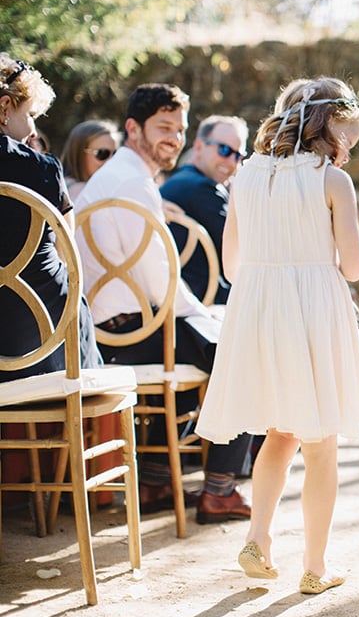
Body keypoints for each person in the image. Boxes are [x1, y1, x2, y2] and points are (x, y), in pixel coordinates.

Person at [195, 77, 359, 595]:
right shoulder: (331, 181)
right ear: (329, 128)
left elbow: (232, 264)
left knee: (278, 434)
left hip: (258, 311)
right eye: (348, 137)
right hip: (312, 313)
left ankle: (258, 537)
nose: (348, 148)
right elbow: (355, 268)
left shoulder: (245, 176)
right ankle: (315, 566)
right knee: (321, 447)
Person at [74, 83, 252, 523]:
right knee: (245, 354)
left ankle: (154, 482)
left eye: (179, 128)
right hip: (130, 334)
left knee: (208, 336)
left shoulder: (117, 176)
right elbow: (161, 284)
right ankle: (220, 490)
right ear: (133, 128)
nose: (173, 137)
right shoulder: (133, 183)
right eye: (163, 127)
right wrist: (208, 315)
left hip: (110, 330)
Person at [0, 53, 102, 381]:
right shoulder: (41, 167)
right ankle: (83, 421)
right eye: (29, 114)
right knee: (73, 297)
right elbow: (67, 253)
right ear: (4, 108)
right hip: (41, 334)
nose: (32, 128)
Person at [161, 115, 249, 304]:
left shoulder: (181, 180)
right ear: (199, 146)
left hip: (186, 296)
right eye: (224, 150)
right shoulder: (201, 189)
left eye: (239, 156)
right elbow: (245, 253)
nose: (232, 162)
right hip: (200, 302)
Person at [60, 120, 120, 201]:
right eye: (102, 153)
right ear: (80, 153)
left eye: (115, 154)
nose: (110, 161)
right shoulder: (78, 191)